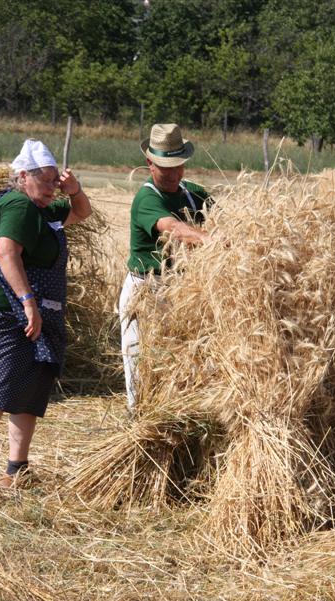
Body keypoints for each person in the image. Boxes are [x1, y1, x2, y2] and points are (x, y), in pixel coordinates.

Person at [0, 138, 92, 488]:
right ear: (24, 177)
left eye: (56, 180)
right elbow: (6, 253)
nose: (54, 187)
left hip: (32, 317)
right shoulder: (20, 206)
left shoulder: (42, 211)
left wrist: (74, 189)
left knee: (27, 390)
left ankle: (15, 470)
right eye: (47, 180)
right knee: (1, 389)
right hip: (10, 316)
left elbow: (82, 212)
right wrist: (28, 302)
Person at [119, 123, 211, 409]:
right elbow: (172, 228)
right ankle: (139, 422)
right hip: (145, 291)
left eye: (178, 166)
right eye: (165, 167)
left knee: (178, 360)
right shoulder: (146, 198)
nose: (173, 174)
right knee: (140, 362)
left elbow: (228, 217)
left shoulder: (194, 194)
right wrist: (212, 241)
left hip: (180, 292)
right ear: (150, 164)